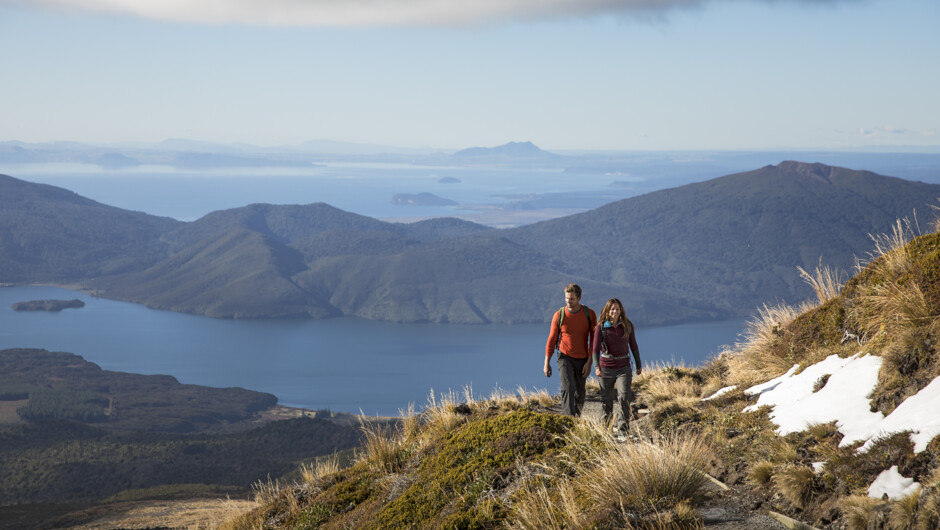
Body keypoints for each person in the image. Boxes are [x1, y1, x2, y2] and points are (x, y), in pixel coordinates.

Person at [544, 283, 597, 416]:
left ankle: (576, 419)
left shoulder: (589, 314)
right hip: (564, 356)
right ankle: (569, 421)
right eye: (566, 298)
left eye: (572, 298)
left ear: (579, 298)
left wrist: (589, 362)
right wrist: (547, 363)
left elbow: (595, 341)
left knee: (580, 392)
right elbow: (551, 339)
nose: (568, 301)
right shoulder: (559, 315)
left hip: (583, 358)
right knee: (568, 388)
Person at [591, 298, 641, 438]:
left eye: (617, 309)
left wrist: (638, 364)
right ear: (607, 311)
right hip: (605, 368)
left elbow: (634, 346)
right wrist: (596, 367)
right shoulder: (601, 328)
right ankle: (604, 430)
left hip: (623, 367)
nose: (615, 311)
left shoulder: (627, 326)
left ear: (621, 311)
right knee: (606, 400)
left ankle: (623, 429)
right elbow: (594, 350)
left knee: (624, 396)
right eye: (612, 309)